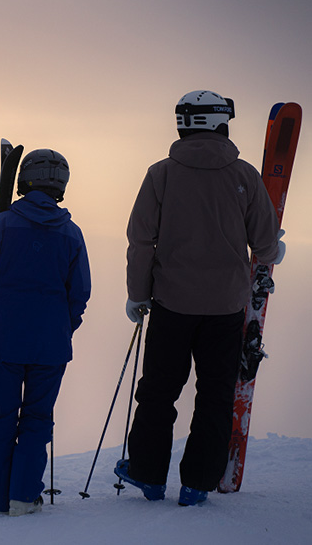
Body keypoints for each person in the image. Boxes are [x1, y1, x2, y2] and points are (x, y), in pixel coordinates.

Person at [115, 90, 285, 506]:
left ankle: (149, 476)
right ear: (220, 122)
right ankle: (197, 484)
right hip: (227, 307)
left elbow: (141, 242)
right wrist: (274, 250)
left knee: (159, 390)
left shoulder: (161, 174)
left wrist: (138, 296)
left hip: (171, 304)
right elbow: (265, 246)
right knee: (215, 394)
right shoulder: (244, 175)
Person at [0, 148, 91, 516]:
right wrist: (63, 328)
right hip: (51, 345)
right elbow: (79, 293)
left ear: (24, 180)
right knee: (37, 418)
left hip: (3, 339)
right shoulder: (71, 233)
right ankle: (22, 497)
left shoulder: (2, 225)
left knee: (1, 416)